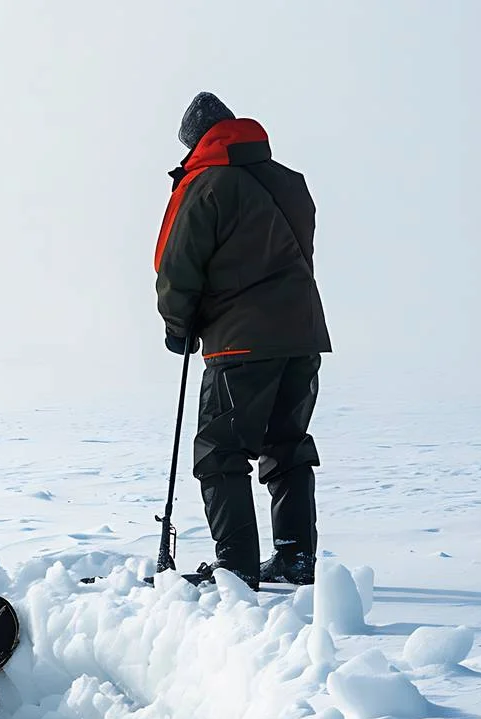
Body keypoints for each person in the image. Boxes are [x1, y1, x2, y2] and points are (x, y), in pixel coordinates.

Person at [153, 92, 332, 588]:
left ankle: (236, 566)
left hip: (240, 343)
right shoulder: (290, 182)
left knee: (220, 452)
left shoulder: (206, 182)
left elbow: (177, 264)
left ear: (198, 141)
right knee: (287, 445)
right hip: (302, 336)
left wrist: (177, 326)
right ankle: (295, 558)